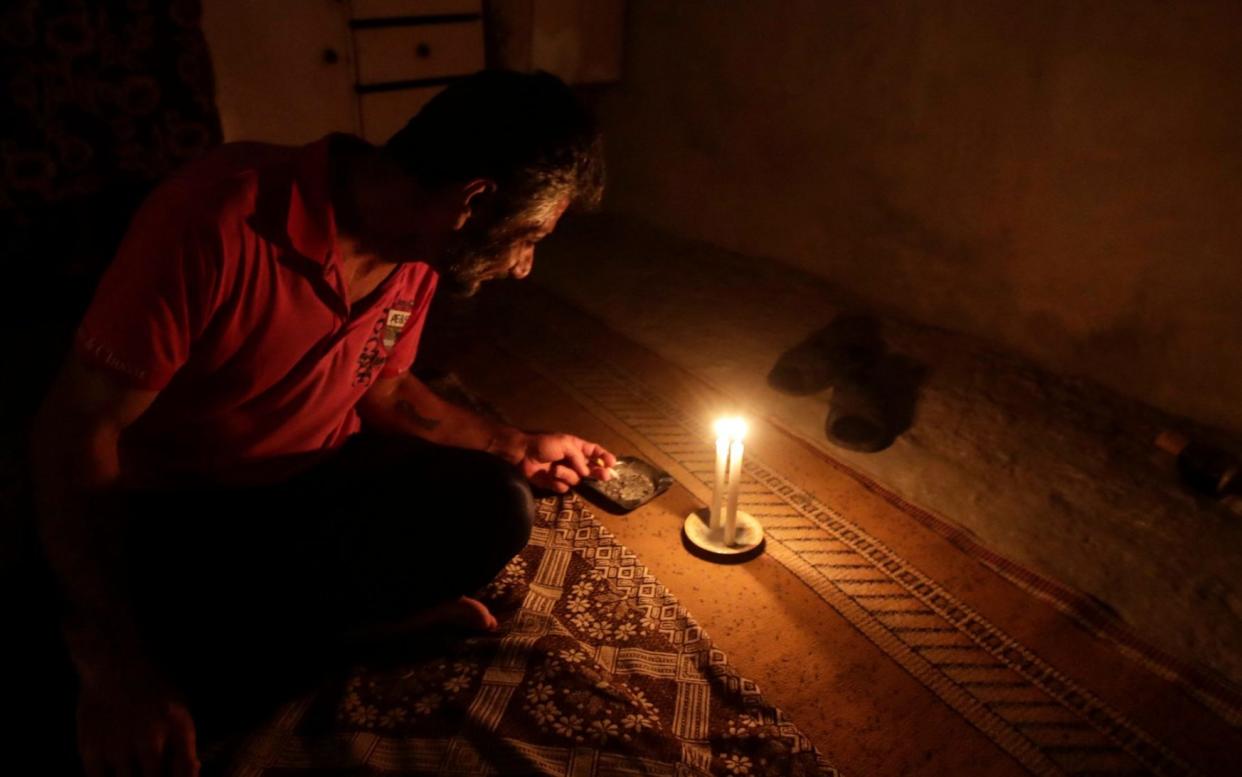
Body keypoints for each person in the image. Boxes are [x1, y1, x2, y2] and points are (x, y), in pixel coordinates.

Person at [30, 70, 616, 777]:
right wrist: (118, 663)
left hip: (306, 491)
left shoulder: (419, 253)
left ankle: (295, 635)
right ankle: (299, 639)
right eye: (530, 236)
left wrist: (517, 442)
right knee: (113, 704)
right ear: (475, 199)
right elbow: (74, 434)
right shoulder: (218, 215)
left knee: (496, 506)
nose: (524, 266)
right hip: (186, 513)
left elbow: (388, 393)